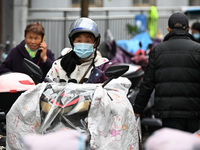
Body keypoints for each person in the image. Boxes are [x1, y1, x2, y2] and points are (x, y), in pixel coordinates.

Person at [133, 12, 200, 133]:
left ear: (168, 29)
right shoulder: (198, 49)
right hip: (195, 113)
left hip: (169, 114)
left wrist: (137, 109)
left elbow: (147, 83)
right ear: (188, 28)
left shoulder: (157, 51)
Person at [46, 17, 117, 83]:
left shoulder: (103, 65)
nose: (83, 44)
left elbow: (115, 88)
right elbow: (47, 89)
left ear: (95, 43)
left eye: (87, 41)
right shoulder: (59, 65)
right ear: (72, 42)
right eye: (79, 41)